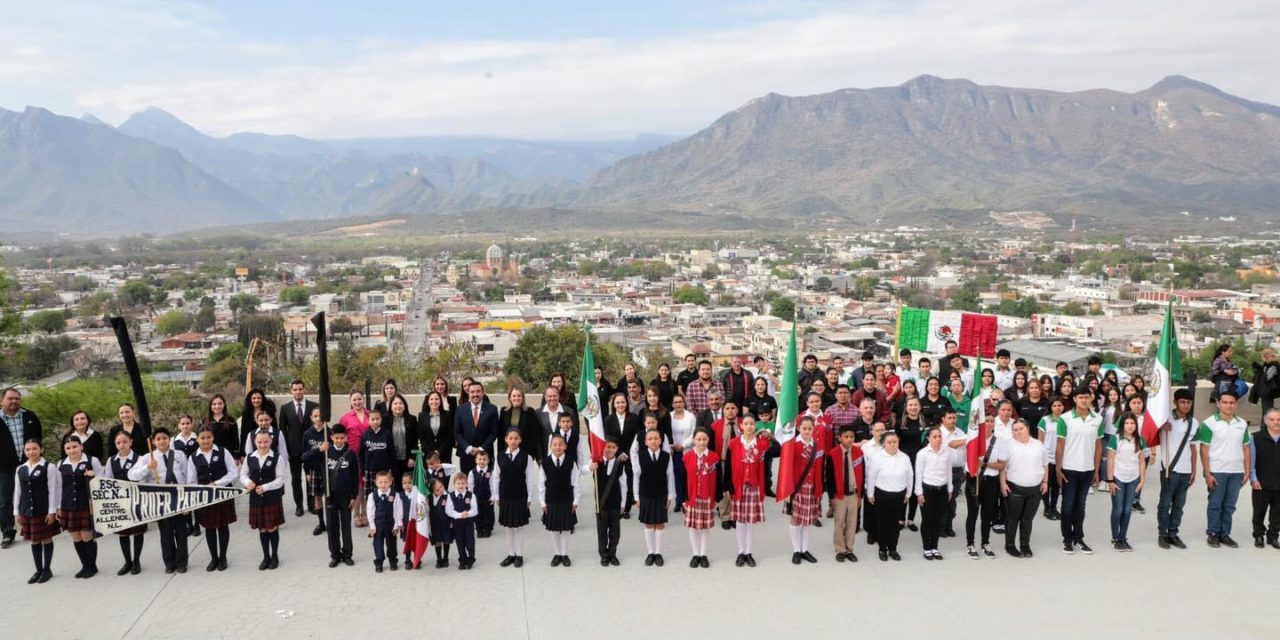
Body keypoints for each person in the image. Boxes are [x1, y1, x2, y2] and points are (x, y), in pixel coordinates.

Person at [129, 427, 191, 573]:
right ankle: (169, 562)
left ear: (169, 439)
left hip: (179, 497)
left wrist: (188, 500)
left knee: (181, 533)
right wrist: (147, 467)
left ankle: (182, 562)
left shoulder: (179, 455)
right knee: (166, 533)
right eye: (158, 439)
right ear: (154, 442)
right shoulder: (147, 457)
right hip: (160, 500)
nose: (162, 441)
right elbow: (132, 475)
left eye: (164, 438)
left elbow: (187, 475)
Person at [1197, 389, 1252, 548]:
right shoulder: (1208, 423)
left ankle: (1225, 534)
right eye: (1225, 402)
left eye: (1232, 402)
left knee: (1230, 505)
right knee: (1215, 503)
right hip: (1217, 471)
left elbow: (1246, 448)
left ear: (1236, 404)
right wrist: (1207, 473)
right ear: (1218, 403)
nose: (1229, 405)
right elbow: (1204, 450)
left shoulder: (1241, 423)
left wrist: (1247, 470)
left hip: (1236, 472)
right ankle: (1213, 533)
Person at [1056, 388, 1104, 555]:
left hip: (1087, 469)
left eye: (1087, 397)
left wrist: (1097, 470)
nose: (1084, 400)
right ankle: (1067, 539)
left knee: (1081, 506)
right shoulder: (1065, 418)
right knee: (1068, 505)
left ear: (1091, 398)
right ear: (1075, 399)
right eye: (1080, 397)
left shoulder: (1097, 419)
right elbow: (1060, 445)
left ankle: (1078, 538)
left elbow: (1098, 446)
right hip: (1069, 468)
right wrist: (1058, 468)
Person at [304, 424, 358, 568]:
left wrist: (354, 496)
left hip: (346, 496)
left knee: (346, 526)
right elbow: (304, 458)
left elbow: (355, 477)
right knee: (332, 526)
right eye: (336, 438)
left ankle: (347, 554)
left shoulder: (351, 454)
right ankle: (335, 555)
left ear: (346, 438)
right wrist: (319, 449)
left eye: (342, 438)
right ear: (331, 437)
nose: (339, 440)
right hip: (330, 495)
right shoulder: (326, 452)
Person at [186, 426, 238, 572]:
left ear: (213, 438)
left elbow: (233, 472)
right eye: (202, 438)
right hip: (205, 498)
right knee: (209, 528)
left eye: (208, 437)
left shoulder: (223, 452)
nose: (206, 440)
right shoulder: (193, 457)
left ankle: (223, 557)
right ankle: (213, 558)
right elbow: (191, 480)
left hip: (222, 494)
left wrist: (217, 483)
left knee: (222, 526)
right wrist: (199, 492)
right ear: (197, 439)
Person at [725, 415, 773, 567]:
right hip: (739, 486)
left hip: (754, 487)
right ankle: (741, 552)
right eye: (746, 423)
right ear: (741, 426)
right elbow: (727, 466)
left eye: (752, 424)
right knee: (740, 521)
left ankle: (749, 552)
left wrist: (769, 435)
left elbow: (777, 450)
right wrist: (728, 486)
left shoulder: (761, 444)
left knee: (751, 522)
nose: (749, 426)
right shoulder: (734, 443)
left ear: (755, 426)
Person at [1, 388, 44, 549]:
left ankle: (30, 527)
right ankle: (7, 531)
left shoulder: (29, 416)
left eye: (17, 399)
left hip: (29, 464)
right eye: (10, 398)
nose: (14, 401)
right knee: (5, 500)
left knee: (30, 496)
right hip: (4, 467)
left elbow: (38, 437)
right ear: (1, 401)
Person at [779, 416, 824, 565]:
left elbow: (819, 468)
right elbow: (787, 469)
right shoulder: (793, 445)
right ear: (798, 428)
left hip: (812, 487)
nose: (806, 431)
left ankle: (804, 549)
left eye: (809, 428)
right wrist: (788, 490)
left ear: (813, 429)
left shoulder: (816, 445)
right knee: (796, 519)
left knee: (807, 520)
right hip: (796, 488)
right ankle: (796, 550)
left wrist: (819, 487)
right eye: (804, 428)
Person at [241, 430, 288, 570]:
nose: (262, 445)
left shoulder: (277, 458)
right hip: (256, 499)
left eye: (266, 442)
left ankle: (274, 556)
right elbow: (243, 474)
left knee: (272, 527)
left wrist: (266, 487)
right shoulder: (250, 457)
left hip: (271, 497)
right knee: (262, 529)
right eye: (259, 442)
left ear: (271, 441)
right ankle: (265, 556)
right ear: (255, 442)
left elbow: (281, 479)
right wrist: (248, 482)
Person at [1157, 389, 1198, 549]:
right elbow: (1149, 433)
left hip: (1185, 470)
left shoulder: (1194, 423)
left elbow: (1193, 448)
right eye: (1182, 402)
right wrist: (1161, 427)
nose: (1186, 405)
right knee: (1165, 504)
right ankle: (1162, 535)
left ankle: (1173, 533)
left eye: (1188, 402)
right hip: (1169, 469)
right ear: (1175, 402)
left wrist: (1194, 469)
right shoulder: (1164, 419)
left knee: (1179, 506)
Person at [57, 435, 103, 578]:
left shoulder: (91, 460)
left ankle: (92, 566)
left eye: (75, 446)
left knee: (87, 536)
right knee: (76, 537)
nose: (72, 450)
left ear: (81, 446)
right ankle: (84, 566)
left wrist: (94, 476)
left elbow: (102, 481)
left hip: (86, 504)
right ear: (65, 450)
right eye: (68, 448)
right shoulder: (60, 464)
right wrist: (58, 507)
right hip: (68, 505)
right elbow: (59, 487)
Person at [1000, 420, 1048, 558]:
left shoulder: (1038, 445)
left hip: (1035, 489)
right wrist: (1003, 483)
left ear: (1027, 428)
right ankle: (1010, 545)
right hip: (1015, 488)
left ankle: (1025, 545)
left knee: (1027, 519)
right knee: (1013, 519)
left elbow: (1045, 465)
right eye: (1015, 430)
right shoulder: (1008, 445)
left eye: (1021, 428)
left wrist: (1045, 481)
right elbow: (1003, 467)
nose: (1018, 432)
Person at [492, 428, 537, 568]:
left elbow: (530, 478)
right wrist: (496, 495)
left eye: (516, 438)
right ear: (505, 439)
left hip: (520, 496)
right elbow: (496, 477)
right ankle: (511, 554)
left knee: (519, 527)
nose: (513, 441)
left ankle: (519, 554)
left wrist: (529, 497)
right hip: (505, 496)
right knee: (508, 528)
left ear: (520, 440)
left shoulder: (526, 457)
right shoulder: (499, 456)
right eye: (510, 438)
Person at [14, 439, 58, 583]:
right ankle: (38, 569)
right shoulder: (20, 469)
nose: (31, 452)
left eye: (34, 448)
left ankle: (47, 569)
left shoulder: (49, 467)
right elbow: (18, 491)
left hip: (43, 509)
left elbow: (53, 489)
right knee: (34, 540)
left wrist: (52, 511)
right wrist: (16, 512)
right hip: (26, 510)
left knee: (46, 538)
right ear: (24, 451)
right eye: (28, 449)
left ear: (41, 449)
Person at [103, 431, 147, 574]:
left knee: (137, 531)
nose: (122, 445)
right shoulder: (111, 461)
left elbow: (143, 479)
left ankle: (136, 561)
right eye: (118, 443)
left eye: (125, 442)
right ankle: (127, 561)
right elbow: (108, 480)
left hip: (135, 500)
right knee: (123, 533)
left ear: (131, 442)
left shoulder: (139, 458)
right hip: (119, 501)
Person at [964, 415, 1004, 559]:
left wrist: (985, 464)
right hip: (974, 480)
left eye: (992, 421)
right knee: (972, 514)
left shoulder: (999, 442)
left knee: (987, 515)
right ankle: (970, 544)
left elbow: (1002, 465)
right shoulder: (973, 440)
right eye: (986, 420)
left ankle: (985, 543)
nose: (989, 423)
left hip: (991, 481)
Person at [634, 429, 676, 567]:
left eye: (656, 438)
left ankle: (658, 553)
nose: (653, 441)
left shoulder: (666, 456)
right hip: (645, 494)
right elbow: (636, 477)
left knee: (659, 523)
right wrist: (636, 496)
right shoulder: (640, 456)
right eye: (650, 439)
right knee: (648, 523)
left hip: (661, 494)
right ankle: (650, 552)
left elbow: (670, 476)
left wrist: (670, 495)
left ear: (661, 441)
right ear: (645, 442)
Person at [867, 432, 912, 561]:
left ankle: (893, 548)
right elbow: (872, 475)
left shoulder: (905, 457)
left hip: (899, 494)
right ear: (884, 444)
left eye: (895, 442)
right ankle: (882, 549)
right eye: (889, 442)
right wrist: (870, 493)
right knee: (882, 523)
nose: (892, 445)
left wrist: (908, 493)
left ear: (898, 442)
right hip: (882, 494)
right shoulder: (878, 457)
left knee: (895, 523)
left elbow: (910, 476)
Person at [1107, 412, 1148, 551]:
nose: (1130, 426)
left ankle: (1123, 538)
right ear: (1122, 425)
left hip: (1133, 479)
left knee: (1127, 510)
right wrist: (1110, 480)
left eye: (1132, 423)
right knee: (1118, 509)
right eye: (1127, 423)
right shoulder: (1116, 439)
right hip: (1118, 478)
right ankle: (1115, 538)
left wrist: (1142, 480)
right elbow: (1111, 460)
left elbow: (1142, 461)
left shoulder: (1140, 440)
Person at [278, 379, 318, 518]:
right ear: (291, 391)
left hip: (310, 449)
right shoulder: (285, 408)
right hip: (293, 450)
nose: (298, 392)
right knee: (296, 479)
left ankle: (312, 504)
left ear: (304, 389)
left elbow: (317, 427)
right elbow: (282, 431)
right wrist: (285, 451)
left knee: (311, 478)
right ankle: (299, 505)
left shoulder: (314, 406)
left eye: (300, 389)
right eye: (295, 389)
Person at [540, 433, 580, 567]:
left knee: (566, 528)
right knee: (554, 528)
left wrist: (576, 501)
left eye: (560, 444)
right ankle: (557, 553)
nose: (558, 447)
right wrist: (542, 503)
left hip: (566, 499)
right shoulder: (545, 463)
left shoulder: (570, 462)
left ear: (565, 446)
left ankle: (564, 553)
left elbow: (576, 482)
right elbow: (541, 484)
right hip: (551, 500)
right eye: (555, 444)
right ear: (550, 446)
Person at [682, 429, 719, 569]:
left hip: (707, 496)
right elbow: (683, 479)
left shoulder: (714, 457)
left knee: (704, 527)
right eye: (699, 439)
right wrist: (683, 498)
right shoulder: (687, 457)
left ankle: (703, 554)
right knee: (693, 527)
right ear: (694, 440)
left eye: (704, 439)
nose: (702, 442)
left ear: (708, 440)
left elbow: (718, 479)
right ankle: (695, 554)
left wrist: (717, 497)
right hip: (692, 496)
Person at [915, 426, 953, 560]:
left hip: (942, 490)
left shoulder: (946, 453)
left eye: (939, 436)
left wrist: (949, 489)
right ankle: (926, 547)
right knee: (927, 520)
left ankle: (934, 547)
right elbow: (918, 474)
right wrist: (919, 493)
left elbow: (948, 472)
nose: (938, 439)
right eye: (934, 437)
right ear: (928, 438)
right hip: (927, 490)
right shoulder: (923, 454)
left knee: (938, 520)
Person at [826, 426, 863, 562]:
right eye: (846, 437)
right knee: (839, 522)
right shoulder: (832, 454)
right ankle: (840, 549)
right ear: (840, 437)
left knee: (852, 523)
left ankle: (849, 549)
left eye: (851, 437)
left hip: (853, 494)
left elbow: (862, 474)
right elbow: (829, 477)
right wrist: (831, 497)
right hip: (839, 495)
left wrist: (860, 495)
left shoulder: (859, 453)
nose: (849, 439)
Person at [603, 393, 640, 519]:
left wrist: (627, 453)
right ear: (613, 404)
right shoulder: (608, 420)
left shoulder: (634, 418)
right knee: (615, 482)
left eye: (623, 402)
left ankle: (627, 509)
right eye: (618, 402)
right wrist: (618, 453)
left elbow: (636, 437)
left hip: (630, 455)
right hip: (614, 455)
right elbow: (607, 438)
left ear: (627, 403)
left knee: (629, 481)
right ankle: (617, 507)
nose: (620, 405)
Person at [593, 438, 627, 567]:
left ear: (617, 449)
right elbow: (582, 471)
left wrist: (623, 503)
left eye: (613, 447)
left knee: (615, 532)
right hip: (601, 504)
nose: (610, 450)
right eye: (608, 447)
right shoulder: (597, 462)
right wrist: (590, 467)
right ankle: (604, 555)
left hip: (615, 503)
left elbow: (624, 485)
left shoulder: (620, 465)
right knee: (602, 531)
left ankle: (613, 553)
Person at [1251, 408, 1280, 549]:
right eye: (1272, 419)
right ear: (1265, 421)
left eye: (1279, 419)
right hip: (1261, 483)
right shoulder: (1256, 437)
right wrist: (1253, 479)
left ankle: (1273, 537)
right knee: (1259, 511)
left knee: (1277, 513)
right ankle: (1258, 535)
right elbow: (1252, 461)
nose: (1276, 422)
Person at [455, 381, 499, 474]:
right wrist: (468, 448)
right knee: (466, 484)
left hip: (485, 454)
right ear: (468, 393)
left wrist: (481, 448)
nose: (475, 394)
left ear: (482, 392)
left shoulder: (492, 409)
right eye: (472, 392)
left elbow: (493, 433)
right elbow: (457, 432)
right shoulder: (460, 410)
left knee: (486, 484)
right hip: (466, 455)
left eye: (478, 391)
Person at [938, 409, 969, 538]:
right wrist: (968, 440)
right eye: (949, 417)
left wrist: (965, 469)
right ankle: (940, 527)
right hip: (943, 472)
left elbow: (966, 452)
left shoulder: (960, 432)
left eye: (954, 418)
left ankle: (948, 525)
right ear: (943, 419)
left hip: (957, 472)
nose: (952, 420)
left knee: (952, 500)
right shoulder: (938, 433)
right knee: (943, 500)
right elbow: (952, 444)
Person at [366, 471, 402, 572]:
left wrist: (397, 524)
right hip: (378, 525)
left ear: (391, 482)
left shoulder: (395, 495)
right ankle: (379, 562)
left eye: (386, 482)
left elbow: (398, 510)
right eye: (380, 482)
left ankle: (393, 561)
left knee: (391, 543)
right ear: (376, 482)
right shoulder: (372, 496)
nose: (383, 484)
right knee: (378, 544)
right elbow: (370, 511)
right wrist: (372, 526)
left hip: (391, 524)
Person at [1040, 397, 1067, 521]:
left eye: (1059, 405)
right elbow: (1040, 440)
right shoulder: (1045, 420)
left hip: (1061, 457)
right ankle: (1047, 508)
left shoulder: (1066, 420)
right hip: (1047, 457)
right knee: (1047, 483)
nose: (1057, 408)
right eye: (1055, 405)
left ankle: (1054, 507)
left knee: (1057, 485)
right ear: (1051, 407)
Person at [445, 471, 479, 570]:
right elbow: (449, 510)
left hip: (468, 523)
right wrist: (460, 515)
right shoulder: (450, 496)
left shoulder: (471, 495)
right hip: (457, 523)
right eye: (458, 483)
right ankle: (462, 560)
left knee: (470, 542)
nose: (461, 485)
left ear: (466, 483)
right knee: (460, 542)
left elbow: (475, 510)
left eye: (463, 483)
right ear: (454, 484)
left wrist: (467, 514)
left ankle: (471, 559)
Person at [499, 388, 542, 460]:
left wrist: (532, 454)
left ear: (523, 398)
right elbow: (501, 434)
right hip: (507, 451)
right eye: (514, 396)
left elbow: (534, 434)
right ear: (510, 398)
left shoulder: (530, 411)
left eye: (519, 396)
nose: (516, 398)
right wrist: (500, 453)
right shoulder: (504, 411)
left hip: (525, 451)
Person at [670, 394, 697, 507]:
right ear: (672, 404)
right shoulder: (669, 416)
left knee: (688, 476)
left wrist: (683, 445)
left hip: (687, 450)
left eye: (680, 402)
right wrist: (672, 445)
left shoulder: (690, 416)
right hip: (674, 451)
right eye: (675, 402)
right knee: (676, 476)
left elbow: (693, 434)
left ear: (684, 403)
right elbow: (667, 432)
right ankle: (678, 501)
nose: (678, 404)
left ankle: (688, 499)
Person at [384, 394, 416, 489]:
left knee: (408, 486)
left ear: (405, 405)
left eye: (401, 403)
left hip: (407, 460)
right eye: (395, 403)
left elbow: (415, 440)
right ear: (391, 406)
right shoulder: (384, 420)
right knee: (394, 486)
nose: (398, 406)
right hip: (391, 460)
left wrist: (412, 457)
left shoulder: (412, 419)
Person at [361, 411, 393, 504]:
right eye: (372, 419)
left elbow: (392, 453)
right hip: (370, 470)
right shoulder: (365, 435)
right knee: (371, 498)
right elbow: (361, 455)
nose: (375, 421)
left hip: (384, 470)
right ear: (368, 421)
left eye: (377, 419)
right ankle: (372, 516)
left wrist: (392, 470)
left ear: (381, 420)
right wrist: (363, 471)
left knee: (386, 496)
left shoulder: (387, 434)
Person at [417, 391, 455, 464]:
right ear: (427, 401)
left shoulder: (447, 415)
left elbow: (450, 435)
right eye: (431, 399)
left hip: (444, 454)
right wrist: (430, 453)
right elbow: (421, 437)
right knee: (429, 475)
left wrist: (439, 451)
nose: (434, 401)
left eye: (436, 399)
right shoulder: (422, 416)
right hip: (428, 455)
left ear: (440, 401)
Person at [468, 449, 495, 538]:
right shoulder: (472, 472)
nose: (482, 461)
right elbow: (470, 486)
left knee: (488, 513)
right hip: (477, 497)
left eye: (484, 459)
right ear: (476, 460)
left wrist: (493, 496)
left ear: (488, 460)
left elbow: (493, 485)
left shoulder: (491, 472)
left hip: (488, 497)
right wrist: (471, 497)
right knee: (478, 514)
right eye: (479, 459)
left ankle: (488, 529)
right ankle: (479, 529)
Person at [203, 394, 239, 460]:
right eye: (214, 404)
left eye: (220, 404)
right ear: (210, 406)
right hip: (209, 455)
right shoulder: (204, 422)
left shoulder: (231, 421)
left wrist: (236, 456)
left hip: (227, 455)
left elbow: (235, 440)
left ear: (224, 405)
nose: (217, 406)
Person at [427, 478, 453, 568]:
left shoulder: (448, 496)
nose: (441, 490)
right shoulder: (429, 498)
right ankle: (439, 559)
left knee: (446, 540)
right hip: (435, 524)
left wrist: (452, 521)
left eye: (441, 486)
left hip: (446, 522)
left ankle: (446, 558)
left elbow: (452, 509)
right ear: (432, 491)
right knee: (437, 541)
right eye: (437, 490)